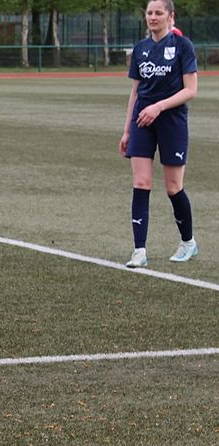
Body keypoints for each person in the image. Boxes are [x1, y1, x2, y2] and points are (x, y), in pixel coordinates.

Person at [120, 0, 199, 268]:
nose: (153, 17)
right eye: (149, 13)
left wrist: (159, 107)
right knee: (141, 182)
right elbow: (135, 92)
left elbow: (190, 90)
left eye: (159, 13)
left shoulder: (182, 46)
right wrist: (127, 130)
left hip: (171, 120)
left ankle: (188, 242)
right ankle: (139, 250)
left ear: (170, 16)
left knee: (173, 187)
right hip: (142, 120)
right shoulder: (140, 49)